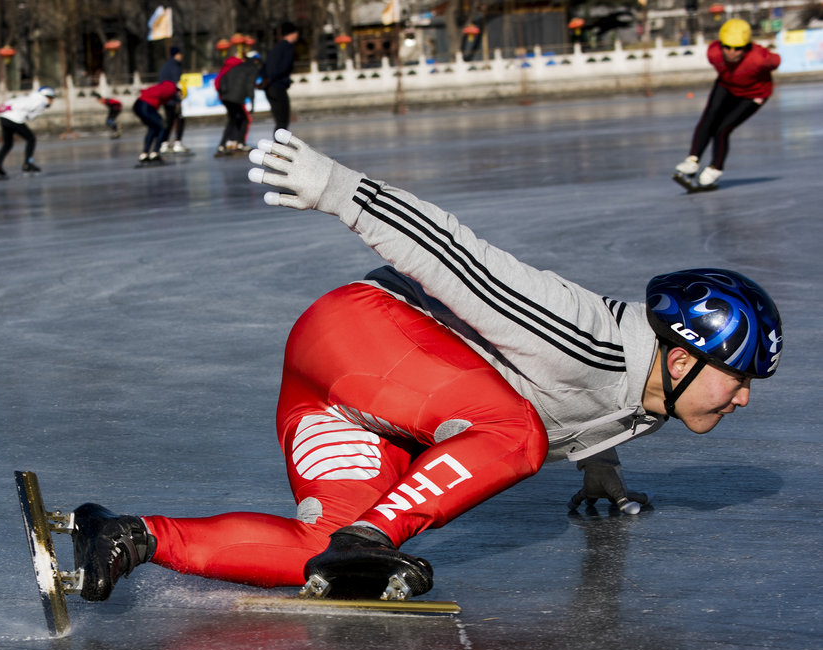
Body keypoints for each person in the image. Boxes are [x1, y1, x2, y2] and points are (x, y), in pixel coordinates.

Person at [70, 130, 783, 603]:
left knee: (322, 556)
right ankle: (373, 541)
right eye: (739, 378)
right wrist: (339, 188)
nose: (743, 398)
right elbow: (457, 258)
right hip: (358, 333)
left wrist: (599, 468)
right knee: (517, 434)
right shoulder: (579, 332)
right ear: (684, 357)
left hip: (349, 397)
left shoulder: (658, 390)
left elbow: (601, 410)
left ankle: (125, 534)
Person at [674, 18, 780, 188]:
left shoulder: (760, 58)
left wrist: (765, 56)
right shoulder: (713, 53)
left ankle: (715, 167)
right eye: (727, 47)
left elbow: (776, 60)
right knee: (709, 117)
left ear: (746, 47)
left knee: (722, 129)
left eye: (737, 48)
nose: (731, 52)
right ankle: (692, 160)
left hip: (753, 94)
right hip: (726, 85)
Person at [0, 86, 55, 179]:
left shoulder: (31, 98)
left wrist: (2, 108)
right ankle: (28, 164)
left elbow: (15, 103)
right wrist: (9, 108)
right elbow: (26, 112)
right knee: (31, 139)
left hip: (4, 117)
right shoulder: (40, 101)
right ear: (47, 96)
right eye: (52, 99)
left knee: (7, 144)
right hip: (14, 118)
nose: (52, 102)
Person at [215, 51, 263, 156]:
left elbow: (223, 78)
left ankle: (224, 144)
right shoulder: (252, 69)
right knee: (244, 119)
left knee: (233, 120)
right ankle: (239, 143)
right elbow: (250, 86)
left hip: (226, 97)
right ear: (255, 60)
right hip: (236, 98)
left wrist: (224, 92)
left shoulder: (237, 66)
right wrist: (253, 102)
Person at [259, 21, 298, 132]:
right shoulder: (287, 47)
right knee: (283, 120)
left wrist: (266, 79)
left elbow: (264, 67)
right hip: (277, 85)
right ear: (292, 33)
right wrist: (276, 78)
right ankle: (279, 146)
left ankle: (277, 145)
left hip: (269, 86)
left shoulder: (276, 48)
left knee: (279, 120)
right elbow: (284, 66)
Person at [132, 80, 179, 165]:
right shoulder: (171, 89)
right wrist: (176, 101)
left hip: (138, 105)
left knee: (153, 128)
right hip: (146, 105)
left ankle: (144, 154)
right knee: (162, 127)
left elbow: (157, 94)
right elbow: (162, 94)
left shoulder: (165, 85)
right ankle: (155, 153)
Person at [158, 46, 188, 154]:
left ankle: (164, 143)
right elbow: (177, 84)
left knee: (169, 121)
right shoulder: (175, 66)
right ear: (177, 54)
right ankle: (177, 143)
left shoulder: (165, 66)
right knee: (179, 119)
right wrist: (178, 100)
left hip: (165, 97)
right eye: (180, 54)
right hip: (172, 98)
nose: (182, 56)